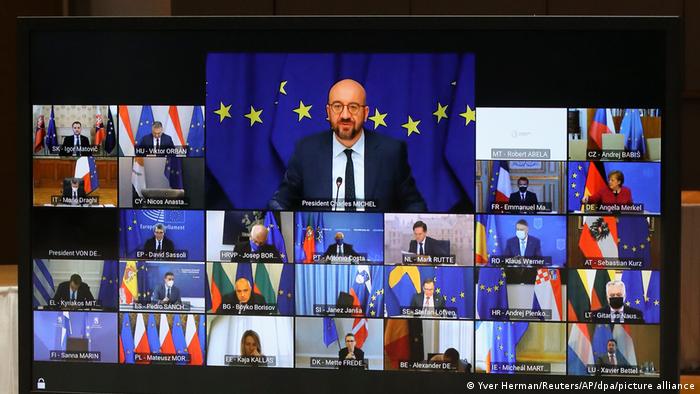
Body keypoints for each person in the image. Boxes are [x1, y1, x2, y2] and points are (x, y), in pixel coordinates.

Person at [268, 79, 427, 212]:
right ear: (328, 112)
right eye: (337, 106)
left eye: (353, 107)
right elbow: (281, 201)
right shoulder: (306, 150)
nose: (345, 115)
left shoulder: (391, 152)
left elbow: (413, 204)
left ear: (365, 113)